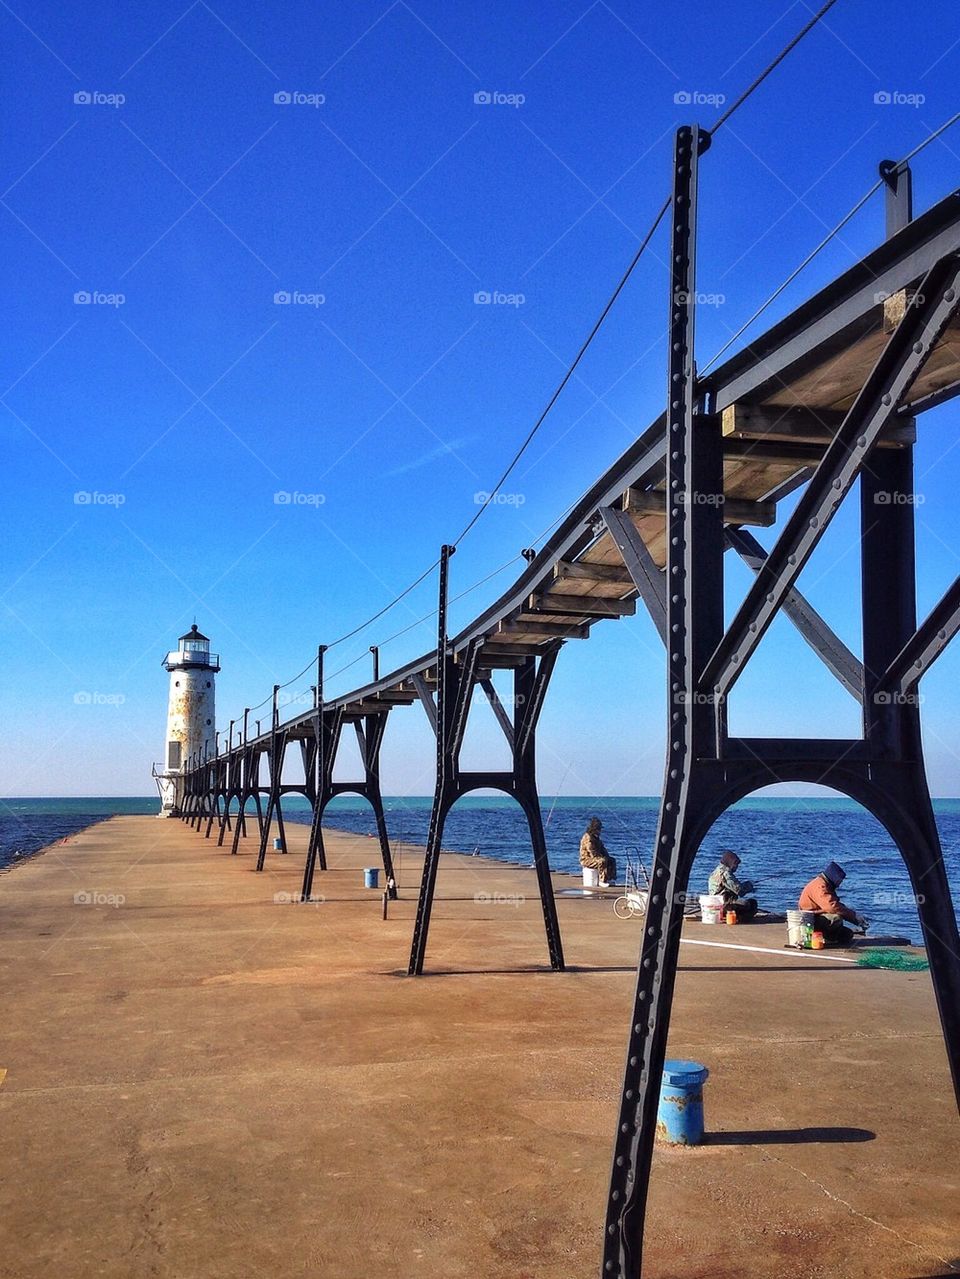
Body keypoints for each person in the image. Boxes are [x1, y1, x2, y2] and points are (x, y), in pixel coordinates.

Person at [798, 861, 868, 947]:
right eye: (839, 881)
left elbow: (834, 904)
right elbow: (832, 907)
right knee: (836, 918)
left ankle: (830, 937)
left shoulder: (825, 884)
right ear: (834, 877)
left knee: (847, 934)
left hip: (817, 917)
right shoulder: (821, 887)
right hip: (810, 921)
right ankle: (825, 939)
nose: (839, 884)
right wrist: (854, 917)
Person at [708, 850, 758, 922]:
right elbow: (739, 890)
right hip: (724, 905)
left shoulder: (717, 870)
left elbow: (732, 886)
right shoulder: (726, 873)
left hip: (716, 904)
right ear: (730, 863)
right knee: (752, 903)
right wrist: (749, 886)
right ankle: (740, 918)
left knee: (746, 903)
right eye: (736, 865)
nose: (737, 867)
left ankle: (736, 916)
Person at [579, 817, 616, 886]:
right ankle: (602, 880)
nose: (600, 831)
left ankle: (610, 878)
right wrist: (602, 857)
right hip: (586, 859)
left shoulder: (596, 838)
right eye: (599, 829)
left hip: (596, 857)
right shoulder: (588, 838)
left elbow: (603, 848)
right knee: (602, 861)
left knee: (612, 860)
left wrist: (607, 856)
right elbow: (592, 852)